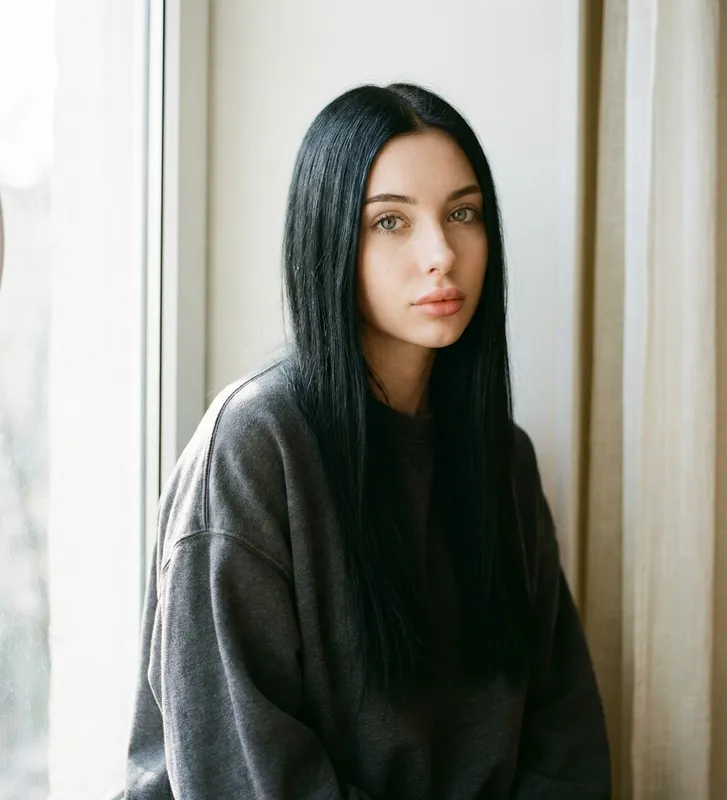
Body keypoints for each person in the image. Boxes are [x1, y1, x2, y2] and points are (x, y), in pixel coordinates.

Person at [124, 82, 610, 799]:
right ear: (329, 238)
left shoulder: (502, 457)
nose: (440, 252)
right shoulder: (256, 446)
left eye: (463, 213)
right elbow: (242, 771)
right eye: (390, 222)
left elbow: (565, 740)